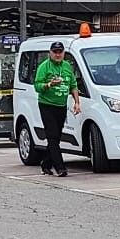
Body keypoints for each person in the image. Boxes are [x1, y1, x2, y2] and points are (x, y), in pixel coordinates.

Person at [34, 41, 81, 177]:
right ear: (50, 53)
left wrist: (77, 102)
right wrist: (49, 84)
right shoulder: (44, 67)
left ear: (64, 53)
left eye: (60, 52)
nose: (57, 54)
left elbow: (73, 85)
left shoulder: (67, 66)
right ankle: (60, 167)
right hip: (47, 104)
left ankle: (46, 164)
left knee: (56, 137)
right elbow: (37, 86)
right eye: (55, 52)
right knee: (52, 136)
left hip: (61, 106)